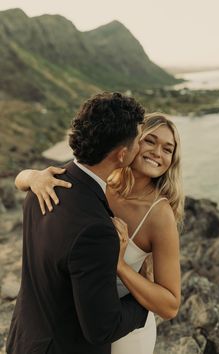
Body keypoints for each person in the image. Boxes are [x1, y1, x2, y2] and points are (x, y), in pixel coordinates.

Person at [15, 112, 183, 354]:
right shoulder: (98, 182)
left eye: (168, 149)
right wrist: (33, 177)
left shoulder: (159, 215)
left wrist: (122, 267)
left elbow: (170, 305)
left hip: (125, 332)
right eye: (150, 141)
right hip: (73, 328)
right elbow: (23, 181)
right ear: (131, 143)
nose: (158, 152)